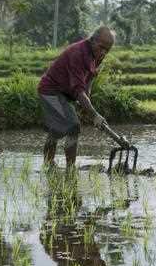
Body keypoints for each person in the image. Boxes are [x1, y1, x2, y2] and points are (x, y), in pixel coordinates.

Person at [37, 26, 115, 168]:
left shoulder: (98, 54)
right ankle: (69, 168)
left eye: (107, 50)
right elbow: (78, 90)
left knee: (58, 128)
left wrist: (87, 99)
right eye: (101, 47)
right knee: (73, 125)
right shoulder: (78, 53)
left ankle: (50, 165)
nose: (103, 53)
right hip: (51, 91)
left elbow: (91, 76)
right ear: (93, 40)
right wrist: (95, 114)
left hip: (66, 92)